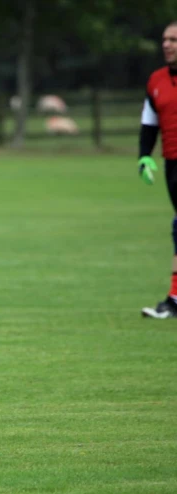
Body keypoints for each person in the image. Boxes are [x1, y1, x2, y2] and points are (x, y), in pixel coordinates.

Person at [140, 21, 177, 319]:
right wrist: (144, 156)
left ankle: (174, 299)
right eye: (164, 39)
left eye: (174, 40)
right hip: (172, 163)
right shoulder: (156, 80)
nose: (166, 45)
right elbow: (149, 121)